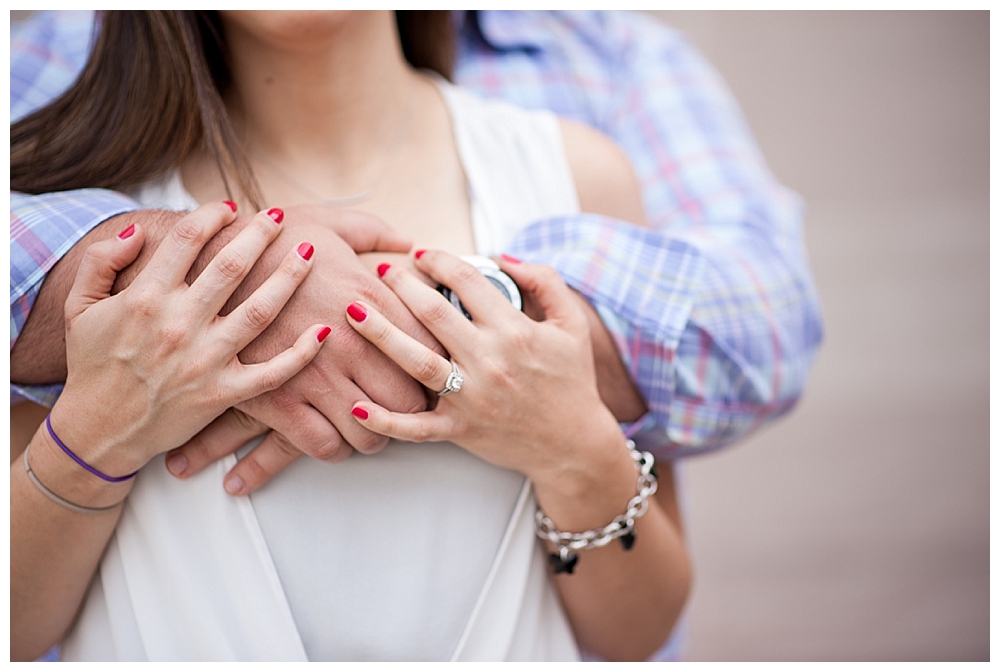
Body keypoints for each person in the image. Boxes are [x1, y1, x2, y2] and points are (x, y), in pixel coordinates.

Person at [9, 10, 824, 660]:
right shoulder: (83, 209)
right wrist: (95, 437)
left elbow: (636, 632)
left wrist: (569, 444)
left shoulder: (573, 175)